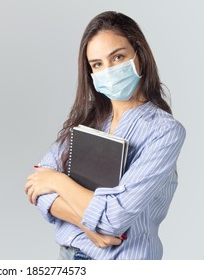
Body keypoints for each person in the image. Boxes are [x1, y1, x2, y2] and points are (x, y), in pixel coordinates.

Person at [24, 11, 186, 260]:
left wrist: (58, 181)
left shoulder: (164, 132)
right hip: (68, 257)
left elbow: (113, 219)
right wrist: (87, 224)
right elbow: (37, 186)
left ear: (139, 56)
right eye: (97, 64)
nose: (108, 70)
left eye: (118, 57)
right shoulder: (90, 118)